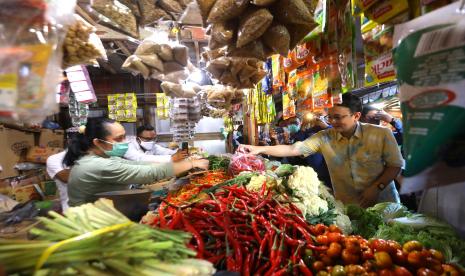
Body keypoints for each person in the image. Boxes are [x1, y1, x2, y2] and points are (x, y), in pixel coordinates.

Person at [240, 93, 404, 207]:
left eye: (338, 117)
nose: (333, 121)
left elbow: (395, 165)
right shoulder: (325, 137)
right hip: (350, 208)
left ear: (356, 116)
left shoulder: (381, 133)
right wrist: (258, 149)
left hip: (384, 204)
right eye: (330, 117)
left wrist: (377, 188)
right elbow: (293, 149)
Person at [64, 118, 208, 206]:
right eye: (119, 139)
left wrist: (184, 163)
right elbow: (148, 173)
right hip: (93, 225)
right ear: (97, 142)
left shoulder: (105, 158)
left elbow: (140, 165)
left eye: (124, 137)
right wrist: (190, 164)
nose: (124, 142)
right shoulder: (96, 165)